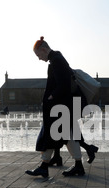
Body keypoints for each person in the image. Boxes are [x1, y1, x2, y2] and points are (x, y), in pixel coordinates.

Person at [26, 36, 85, 178]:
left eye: (39, 55)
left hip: (60, 106)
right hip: (64, 106)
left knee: (54, 134)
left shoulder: (56, 61)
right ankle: (77, 166)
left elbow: (63, 85)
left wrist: (51, 97)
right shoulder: (57, 59)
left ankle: (44, 166)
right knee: (68, 136)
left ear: (44, 49)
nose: (39, 58)